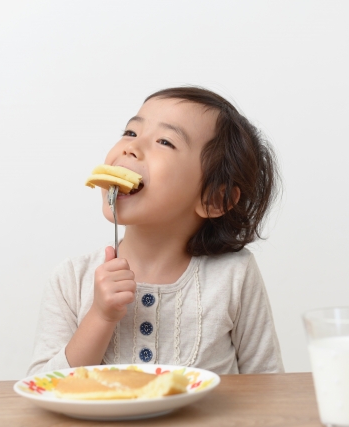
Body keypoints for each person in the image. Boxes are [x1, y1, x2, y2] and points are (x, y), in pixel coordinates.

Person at [27, 86, 284, 375]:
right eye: (131, 132)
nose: (130, 147)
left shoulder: (234, 275)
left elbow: (267, 383)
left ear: (214, 199)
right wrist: (100, 316)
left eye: (164, 141)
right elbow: (43, 385)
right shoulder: (72, 280)